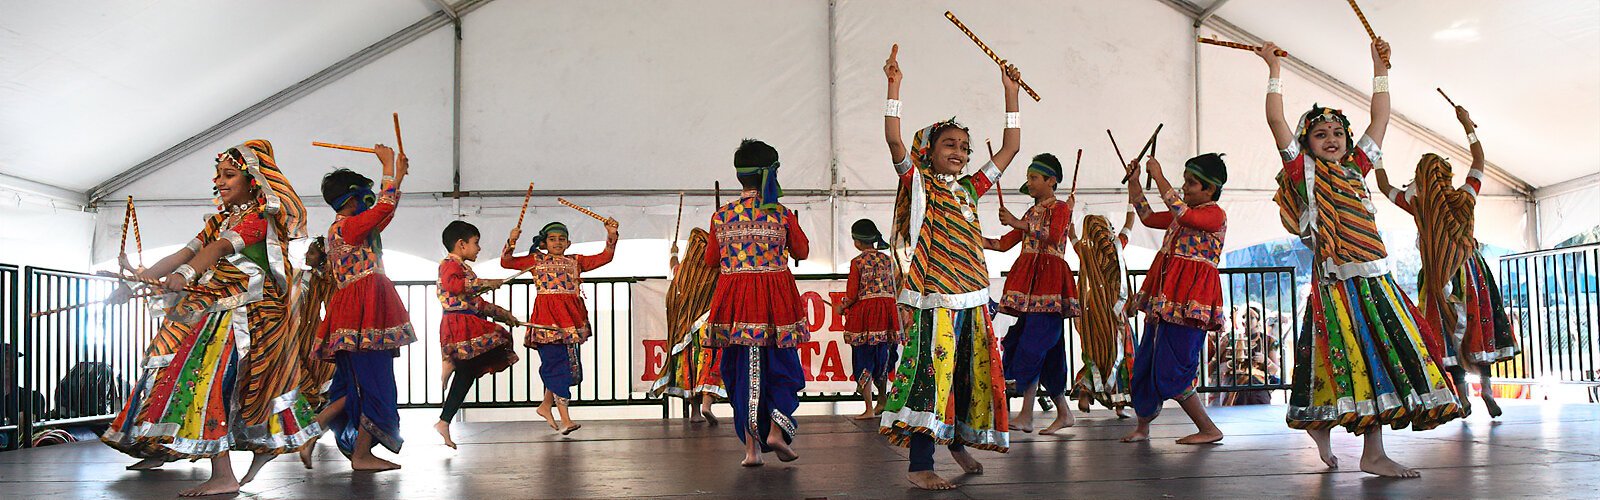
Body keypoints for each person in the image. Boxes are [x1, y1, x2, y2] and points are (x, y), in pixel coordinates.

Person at [1258, 39, 1460, 478]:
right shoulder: (1303, 172)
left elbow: (1381, 116)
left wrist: (1378, 67)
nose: (1331, 139)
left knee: (1376, 358)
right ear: (1306, 143)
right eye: (1319, 134)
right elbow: (1275, 119)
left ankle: (1337, 434)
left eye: (1337, 133)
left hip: (1377, 277)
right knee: (1355, 360)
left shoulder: (1357, 167)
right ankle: (1365, 450)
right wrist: (1274, 68)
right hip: (1337, 283)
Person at [101, 140, 321, 496]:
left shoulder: (256, 220)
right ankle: (250, 455)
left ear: (253, 181)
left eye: (229, 174)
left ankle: (229, 470)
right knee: (207, 383)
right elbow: (185, 252)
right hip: (218, 312)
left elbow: (216, 250)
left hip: (247, 316)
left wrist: (186, 275)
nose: (219, 181)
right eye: (217, 174)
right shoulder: (220, 219)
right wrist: (138, 282)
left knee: (211, 383)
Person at [878, 43, 1023, 490]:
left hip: (974, 298)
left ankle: (956, 443)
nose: (959, 151)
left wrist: (1011, 96)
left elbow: (1011, 148)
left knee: (966, 372)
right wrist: (894, 88)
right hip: (934, 298)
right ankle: (921, 463)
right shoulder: (918, 182)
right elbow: (894, 141)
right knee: (931, 374)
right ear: (930, 150)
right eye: (949, 145)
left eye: (964, 146)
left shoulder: (970, 189)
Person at [1375, 104, 1518, 418]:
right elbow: (1480, 161)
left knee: (1449, 336)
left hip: (1438, 275)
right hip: (1471, 273)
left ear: (1421, 179)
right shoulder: (1464, 195)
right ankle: (1489, 394)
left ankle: (1463, 398)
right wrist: (1467, 125)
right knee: (1477, 332)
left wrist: (1378, 153)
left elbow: (1384, 187)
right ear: (1447, 176)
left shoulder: (1418, 203)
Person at [308, 144, 417, 472]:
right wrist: (387, 168)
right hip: (363, 309)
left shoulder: (346, 228)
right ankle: (350, 450)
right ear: (352, 200)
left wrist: (397, 175)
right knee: (374, 382)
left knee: (358, 382)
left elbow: (384, 210)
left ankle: (319, 435)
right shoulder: (349, 227)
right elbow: (382, 209)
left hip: (357, 308)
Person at [702, 139, 809, 467]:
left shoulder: (721, 216)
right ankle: (776, 430)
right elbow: (802, 252)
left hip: (735, 301)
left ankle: (751, 450)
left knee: (742, 372)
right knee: (782, 367)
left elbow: (710, 261)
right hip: (775, 299)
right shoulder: (781, 213)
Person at [1118, 153, 1230, 446]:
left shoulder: (1213, 214)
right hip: (1167, 298)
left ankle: (1208, 428)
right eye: (1184, 182)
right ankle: (1143, 426)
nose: (1185, 188)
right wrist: (1134, 183)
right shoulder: (1184, 214)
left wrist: (1158, 176)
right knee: (1146, 361)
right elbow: (1146, 216)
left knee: (1174, 366)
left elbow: (1183, 214)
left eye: (1191, 183)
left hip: (1191, 300)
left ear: (1209, 189)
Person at [984, 152, 1082, 434]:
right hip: (1029, 283)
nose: (1030, 183)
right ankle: (1063, 413)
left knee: (1034, 343)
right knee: (1045, 348)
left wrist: (1017, 223)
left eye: (1034, 178)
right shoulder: (1030, 213)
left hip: (1049, 281)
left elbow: (1052, 235)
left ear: (1051, 181)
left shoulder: (1061, 208)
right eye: (1028, 178)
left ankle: (1026, 414)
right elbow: (1004, 244)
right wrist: (970, 239)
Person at [502, 218, 619, 435]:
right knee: (557, 365)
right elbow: (506, 262)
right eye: (552, 239)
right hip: (546, 320)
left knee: (564, 364)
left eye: (561, 239)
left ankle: (546, 406)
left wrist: (611, 234)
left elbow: (606, 257)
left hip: (569, 320)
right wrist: (512, 240)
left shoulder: (576, 261)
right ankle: (566, 419)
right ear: (544, 243)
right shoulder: (536, 260)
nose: (557, 242)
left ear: (568, 243)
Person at [434, 221, 521, 448]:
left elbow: (477, 303)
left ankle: (444, 420)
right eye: (476, 243)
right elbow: (454, 286)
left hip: (465, 320)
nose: (479, 248)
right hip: (459, 322)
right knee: (497, 337)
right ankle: (450, 362)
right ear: (462, 244)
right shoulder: (450, 265)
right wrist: (485, 283)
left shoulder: (462, 268)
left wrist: (504, 314)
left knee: (469, 371)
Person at [1070, 212, 1137, 419]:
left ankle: (1085, 391)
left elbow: (1073, 239)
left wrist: (1072, 228)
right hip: (1114, 312)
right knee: (1119, 355)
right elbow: (1127, 229)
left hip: (1093, 309)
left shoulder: (1085, 251)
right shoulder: (1115, 249)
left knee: (1095, 352)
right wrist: (1130, 212)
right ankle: (1119, 404)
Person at [839, 219, 902, 420]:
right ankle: (882, 400)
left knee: (863, 358)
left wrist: (842, 306)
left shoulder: (857, 262)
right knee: (882, 356)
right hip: (887, 312)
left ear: (857, 241)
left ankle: (868, 407)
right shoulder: (888, 260)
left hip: (866, 316)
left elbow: (851, 295)